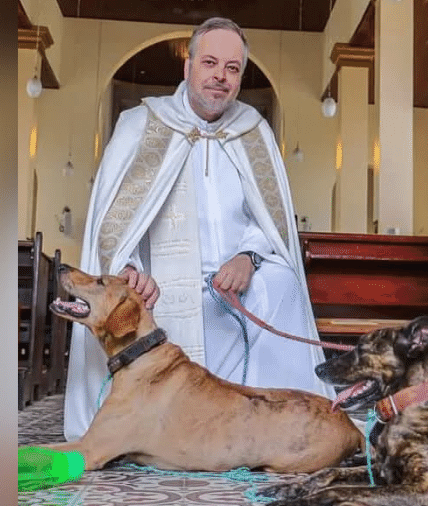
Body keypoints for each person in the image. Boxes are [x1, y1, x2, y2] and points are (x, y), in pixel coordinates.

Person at [63, 17, 335, 442]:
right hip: (163, 282)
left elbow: (272, 221)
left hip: (233, 277)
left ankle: (270, 420)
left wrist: (249, 258)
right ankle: (146, 424)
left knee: (282, 282)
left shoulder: (253, 131)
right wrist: (131, 270)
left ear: (241, 77)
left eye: (232, 68)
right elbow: (114, 224)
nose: (219, 77)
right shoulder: (142, 124)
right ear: (188, 66)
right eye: (209, 62)